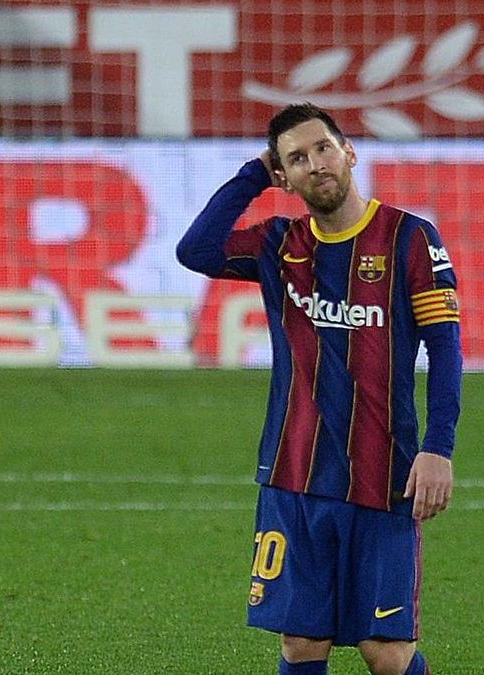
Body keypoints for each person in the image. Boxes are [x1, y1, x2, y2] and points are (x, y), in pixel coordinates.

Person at [177, 103, 463, 675]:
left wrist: (439, 448)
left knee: (386, 653)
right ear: (284, 177)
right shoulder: (276, 245)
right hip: (294, 473)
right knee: (300, 644)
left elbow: (446, 347)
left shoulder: (409, 237)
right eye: (297, 159)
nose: (316, 165)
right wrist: (254, 174)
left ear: (349, 151)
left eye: (323, 148)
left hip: (385, 474)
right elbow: (196, 251)